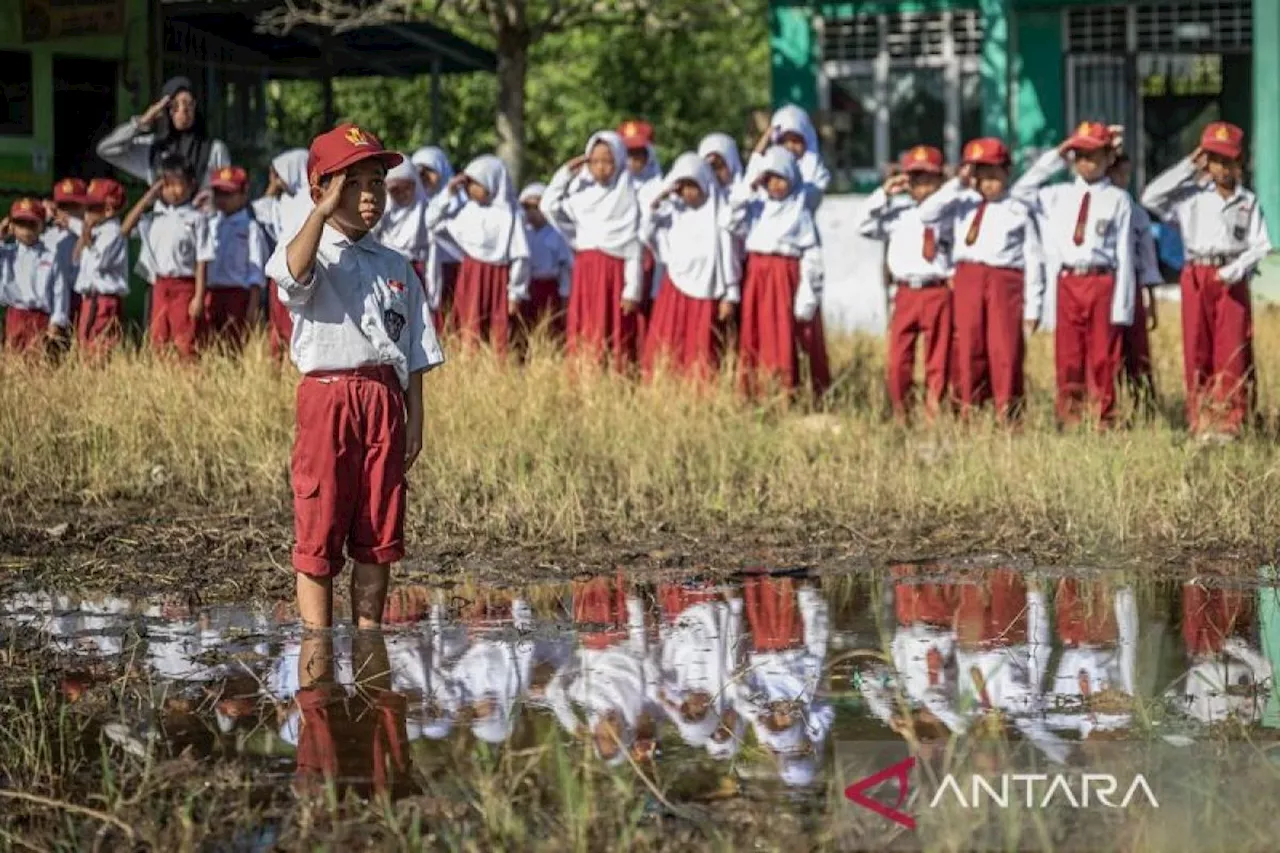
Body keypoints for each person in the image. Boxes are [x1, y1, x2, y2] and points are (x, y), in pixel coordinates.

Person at [264, 123, 445, 631]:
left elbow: (415, 350)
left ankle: (370, 641)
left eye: (377, 183)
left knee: (379, 526)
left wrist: (415, 418)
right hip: (328, 400)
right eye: (355, 182)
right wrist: (320, 213)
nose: (370, 195)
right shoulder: (307, 250)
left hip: (384, 401)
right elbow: (291, 279)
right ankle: (317, 648)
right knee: (319, 526)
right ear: (322, 188)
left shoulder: (396, 265)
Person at [1141, 122, 1271, 441]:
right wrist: (1188, 166)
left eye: (1229, 161)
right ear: (1205, 161)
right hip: (1196, 273)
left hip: (1231, 275)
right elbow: (1150, 197)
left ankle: (1232, 420)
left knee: (1232, 348)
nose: (1222, 169)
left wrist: (1238, 268)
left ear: (1240, 163)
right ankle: (1202, 418)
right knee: (1197, 345)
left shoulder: (1247, 202)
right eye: (1215, 160)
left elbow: (1262, 244)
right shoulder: (1191, 197)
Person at [1013, 122, 1135, 428]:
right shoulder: (1057, 195)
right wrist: (1057, 154)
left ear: (1109, 158)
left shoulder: (1119, 199)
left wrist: (1123, 305)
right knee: (1068, 354)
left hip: (1102, 279)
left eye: (1093, 155)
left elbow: (1124, 253)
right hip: (1068, 281)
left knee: (1102, 356)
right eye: (1079, 155)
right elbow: (1020, 191)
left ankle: (1104, 418)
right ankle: (1069, 417)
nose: (1086, 162)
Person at [917, 137, 1046, 423]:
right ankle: (969, 410)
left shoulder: (1018, 209)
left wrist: (1035, 306)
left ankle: (1008, 414)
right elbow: (926, 213)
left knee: (1005, 348)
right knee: (968, 346)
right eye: (980, 175)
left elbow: (1035, 259)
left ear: (1007, 173)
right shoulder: (961, 201)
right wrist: (959, 183)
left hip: (1004, 279)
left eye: (993, 175)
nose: (987, 183)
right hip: (968, 277)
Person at [857, 145, 954, 423]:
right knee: (899, 357)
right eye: (916, 178)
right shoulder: (898, 214)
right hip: (905, 291)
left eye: (928, 178)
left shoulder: (950, 213)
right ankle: (902, 412)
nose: (922, 186)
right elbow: (862, 225)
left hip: (937, 289)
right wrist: (885, 193)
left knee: (938, 356)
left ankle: (935, 411)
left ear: (940, 180)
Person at [541, 130, 645, 371]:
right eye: (595, 161)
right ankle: (584, 376)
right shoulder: (582, 195)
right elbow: (548, 206)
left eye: (608, 161)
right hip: (587, 272)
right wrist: (566, 172)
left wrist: (633, 289)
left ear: (619, 161)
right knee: (586, 324)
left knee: (614, 326)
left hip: (614, 275)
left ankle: (614, 376)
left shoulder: (627, 200)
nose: (601, 168)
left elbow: (633, 250)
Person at [726, 147, 823, 399]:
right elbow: (730, 221)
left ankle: (784, 390)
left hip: (784, 277)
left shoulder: (799, 212)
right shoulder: (756, 207)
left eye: (781, 178)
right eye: (770, 179)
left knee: (781, 332)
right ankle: (755, 391)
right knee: (755, 332)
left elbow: (812, 254)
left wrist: (808, 294)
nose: (776, 185)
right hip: (757, 275)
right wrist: (750, 184)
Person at [640, 152, 740, 382]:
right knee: (669, 342)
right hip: (675, 289)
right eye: (682, 186)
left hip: (707, 292)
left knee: (701, 346)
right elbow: (647, 234)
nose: (688, 193)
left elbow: (728, 256)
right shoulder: (674, 214)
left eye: (692, 185)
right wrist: (660, 199)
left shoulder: (718, 216)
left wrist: (730, 294)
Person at [424, 155, 530, 356]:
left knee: (498, 329)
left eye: (476, 183)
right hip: (471, 276)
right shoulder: (468, 212)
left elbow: (520, 257)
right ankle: (470, 368)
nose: (470, 188)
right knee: (469, 323)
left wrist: (515, 292)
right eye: (468, 183)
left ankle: (497, 373)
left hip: (499, 278)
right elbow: (432, 222)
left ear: (492, 182)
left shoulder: (510, 215)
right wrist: (449, 192)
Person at [122, 153, 214, 361]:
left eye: (177, 184)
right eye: (166, 184)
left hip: (185, 286)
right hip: (160, 285)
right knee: (158, 337)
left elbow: (202, 260)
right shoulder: (156, 215)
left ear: (191, 185)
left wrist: (199, 296)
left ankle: (187, 381)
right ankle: (163, 382)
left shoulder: (197, 218)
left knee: (185, 339)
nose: (172, 191)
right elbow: (125, 229)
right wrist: (148, 197)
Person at [96, 76, 230, 187]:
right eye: (174, 105)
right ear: (165, 109)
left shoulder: (215, 150)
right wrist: (141, 123)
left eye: (188, 103)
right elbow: (105, 150)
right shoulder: (152, 147)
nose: (183, 111)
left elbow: (226, 189)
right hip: (163, 218)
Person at [1108, 152, 1162, 413]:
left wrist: (1150, 299)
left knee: (1136, 350)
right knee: (1106, 351)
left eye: (1126, 174)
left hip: (1133, 285)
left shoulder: (1136, 211)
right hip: (1104, 286)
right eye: (1118, 173)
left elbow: (1147, 257)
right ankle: (1106, 406)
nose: (1123, 179)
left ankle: (1144, 407)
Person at [207, 166, 270, 353]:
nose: (222, 199)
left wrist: (252, 306)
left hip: (237, 296)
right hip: (212, 293)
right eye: (218, 193)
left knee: (232, 347)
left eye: (228, 194)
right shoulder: (210, 225)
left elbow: (256, 272)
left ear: (243, 194)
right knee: (208, 345)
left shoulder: (250, 228)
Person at [0, 198, 70, 354]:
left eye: (31, 224)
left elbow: (60, 292)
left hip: (40, 319)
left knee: (37, 363)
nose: (26, 230)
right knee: (13, 362)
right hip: (15, 315)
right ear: (11, 226)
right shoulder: (7, 253)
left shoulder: (50, 257)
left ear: (42, 227)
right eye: (20, 223)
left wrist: (56, 321)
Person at [619, 120, 664, 356]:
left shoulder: (659, 187)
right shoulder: (615, 186)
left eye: (638, 154)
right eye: (627, 154)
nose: (632, 161)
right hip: (619, 256)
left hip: (649, 258)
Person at [70, 178, 129, 358]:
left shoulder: (113, 233)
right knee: (85, 347)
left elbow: (97, 263)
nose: (85, 213)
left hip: (102, 302)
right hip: (91, 300)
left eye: (90, 208)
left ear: (108, 210)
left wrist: (85, 235)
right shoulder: (97, 229)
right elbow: (76, 258)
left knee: (98, 351)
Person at [263, 148, 311, 360]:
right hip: (280, 271)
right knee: (278, 325)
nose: (276, 180)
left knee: (295, 326)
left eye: (278, 174)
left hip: (300, 271)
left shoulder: (311, 199)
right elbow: (259, 212)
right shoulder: (283, 201)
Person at [412, 146, 463, 328]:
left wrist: (448, 195)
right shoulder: (410, 202)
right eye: (419, 170)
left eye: (430, 170)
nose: (424, 176)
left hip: (451, 266)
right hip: (422, 267)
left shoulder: (458, 200)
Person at [518, 183, 573, 342]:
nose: (532, 212)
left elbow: (565, 269)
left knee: (549, 329)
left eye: (537, 206)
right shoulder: (521, 232)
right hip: (526, 287)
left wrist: (564, 295)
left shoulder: (557, 233)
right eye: (527, 207)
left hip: (549, 288)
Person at [372, 157, 430, 280]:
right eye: (395, 190)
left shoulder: (426, 210)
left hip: (418, 270)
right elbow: (370, 237)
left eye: (407, 187)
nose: (402, 193)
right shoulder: (383, 211)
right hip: (387, 267)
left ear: (415, 184)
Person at [45, 178, 86, 333]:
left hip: (80, 298)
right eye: (63, 206)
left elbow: (91, 236)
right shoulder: (48, 236)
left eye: (74, 206)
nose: (68, 211)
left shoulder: (89, 232)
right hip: (54, 300)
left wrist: (71, 223)